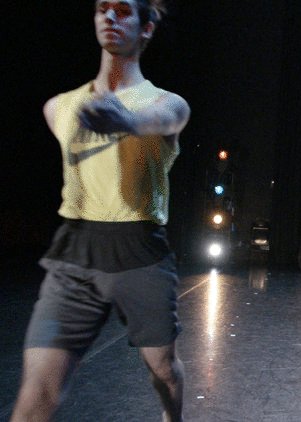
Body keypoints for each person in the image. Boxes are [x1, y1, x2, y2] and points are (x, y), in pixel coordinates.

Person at [12, 1, 190, 421]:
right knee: (37, 395)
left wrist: (123, 120)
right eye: (102, 9)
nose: (109, 17)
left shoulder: (167, 103)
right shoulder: (59, 107)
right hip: (74, 253)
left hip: (139, 250)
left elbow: (160, 119)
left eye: (123, 11)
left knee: (164, 370)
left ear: (146, 29)